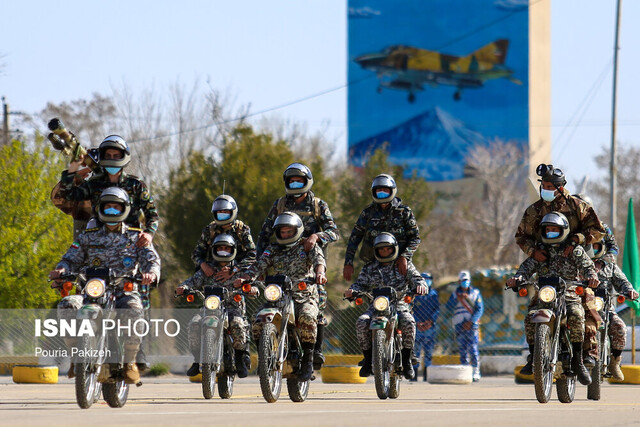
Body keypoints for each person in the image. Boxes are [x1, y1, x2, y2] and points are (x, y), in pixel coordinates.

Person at [49, 187, 161, 384]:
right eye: (107, 206)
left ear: (124, 209)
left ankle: (130, 361)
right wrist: (61, 271)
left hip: (123, 291)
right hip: (91, 292)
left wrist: (151, 273)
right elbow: (70, 258)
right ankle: (76, 356)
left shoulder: (136, 237)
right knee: (66, 304)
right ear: (100, 209)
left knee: (135, 311)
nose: (111, 210)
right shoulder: (87, 236)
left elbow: (151, 260)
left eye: (115, 207)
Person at [256, 163, 339, 369]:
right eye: (291, 180)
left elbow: (333, 232)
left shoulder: (318, 205)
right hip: (283, 260)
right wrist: (260, 265)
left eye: (299, 180)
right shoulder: (280, 204)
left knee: (315, 305)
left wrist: (315, 236)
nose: (295, 184)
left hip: (310, 260)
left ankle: (315, 352)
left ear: (307, 181)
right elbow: (265, 234)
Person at [507, 211, 599, 386]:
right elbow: (525, 269)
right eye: (547, 229)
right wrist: (517, 279)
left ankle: (578, 361)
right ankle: (533, 356)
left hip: (569, 293)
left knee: (577, 315)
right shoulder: (540, 251)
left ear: (563, 230)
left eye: (554, 229)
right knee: (529, 317)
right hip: (545, 295)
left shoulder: (574, 250)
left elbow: (588, 268)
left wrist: (592, 277)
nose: (550, 232)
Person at [236, 212, 327, 381]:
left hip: (304, 294)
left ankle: (307, 361)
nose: (285, 235)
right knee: (258, 323)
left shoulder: (307, 245)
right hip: (278, 295)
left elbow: (319, 262)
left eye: (289, 232)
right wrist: (246, 277)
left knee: (307, 316)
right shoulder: (273, 249)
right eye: (282, 232)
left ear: (297, 231)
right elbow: (258, 266)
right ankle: (266, 358)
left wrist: (320, 274)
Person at [344, 232, 427, 380]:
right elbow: (360, 283)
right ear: (376, 250)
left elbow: (417, 279)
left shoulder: (403, 264)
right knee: (362, 322)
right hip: (376, 306)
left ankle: (407, 360)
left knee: (409, 322)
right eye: (381, 249)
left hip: (399, 305)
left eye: (388, 248)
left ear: (394, 248)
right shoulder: (369, 267)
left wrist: (420, 286)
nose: (385, 251)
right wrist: (352, 291)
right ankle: (368, 360)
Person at [176, 234, 257, 378]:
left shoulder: (239, 270)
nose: (223, 251)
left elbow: (251, 284)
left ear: (233, 250)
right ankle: (197, 359)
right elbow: (192, 281)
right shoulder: (207, 269)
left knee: (237, 324)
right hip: (210, 308)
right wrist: (183, 287)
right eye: (220, 248)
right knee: (194, 323)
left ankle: (239, 359)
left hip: (233, 308)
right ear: (214, 250)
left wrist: (250, 289)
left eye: (227, 248)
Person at [57, 135, 159, 247]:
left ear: (123, 156)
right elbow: (67, 195)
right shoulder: (94, 184)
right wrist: (74, 167)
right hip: (100, 244)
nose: (112, 159)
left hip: (130, 245)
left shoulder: (135, 185)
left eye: (116, 156)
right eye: (108, 155)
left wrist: (148, 234)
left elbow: (152, 214)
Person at [515, 164, 605, 262]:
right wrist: (533, 252)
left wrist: (577, 239)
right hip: (547, 264)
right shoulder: (535, 210)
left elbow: (598, 230)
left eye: (549, 187)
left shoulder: (578, 206)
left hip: (578, 263)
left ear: (560, 188)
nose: (545, 190)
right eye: (543, 186)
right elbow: (522, 236)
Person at [343, 174, 420, 281]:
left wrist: (405, 257)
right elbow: (354, 238)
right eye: (379, 190)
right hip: (373, 266)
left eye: (385, 190)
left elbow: (415, 238)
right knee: (364, 292)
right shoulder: (368, 213)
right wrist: (348, 263)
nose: (382, 192)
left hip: (399, 265)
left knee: (408, 291)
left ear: (392, 190)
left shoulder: (404, 212)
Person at [586, 239, 639, 380]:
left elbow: (623, 282)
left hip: (606, 308)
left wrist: (630, 291)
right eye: (590, 246)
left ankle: (615, 362)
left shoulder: (610, 266)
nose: (593, 249)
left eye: (596, 246)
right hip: (584, 309)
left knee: (620, 327)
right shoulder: (579, 264)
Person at [191, 194, 256, 275]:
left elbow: (252, 254)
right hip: (214, 273)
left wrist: (235, 269)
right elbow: (196, 254)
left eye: (225, 212)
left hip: (238, 274)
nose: (222, 214)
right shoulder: (209, 231)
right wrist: (204, 265)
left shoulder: (241, 229)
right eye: (219, 212)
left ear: (233, 211)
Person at [445, 270, 484, 382]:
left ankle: (476, 371)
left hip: (472, 325)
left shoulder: (475, 293)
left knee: (473, 348)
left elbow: (479, 308)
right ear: (459, 281)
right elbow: (448, 307)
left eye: (466, 280)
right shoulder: (454, 294)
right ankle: (466, 371)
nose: (464, 282)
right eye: (462, 280)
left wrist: (471, 321)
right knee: (462, 349)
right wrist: (458, 299)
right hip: (459, 324)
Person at [573, 193, 619, 264]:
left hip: (596, 267)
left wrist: (601, 263)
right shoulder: (564, 226)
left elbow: (613, 248)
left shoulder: (601, 227)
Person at [411, 271, 439, 381]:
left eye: (429, 278)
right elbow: (411, 309)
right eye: (424, 278)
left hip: (429, 327)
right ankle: (414, 375)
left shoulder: (434, 294)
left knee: (429, 351)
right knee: (415, 351)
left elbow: (436, 309)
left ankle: (427, 375)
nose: (427, 281)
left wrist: (430, 321)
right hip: (417, 327)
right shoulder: (414, 295)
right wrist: (417, 322)